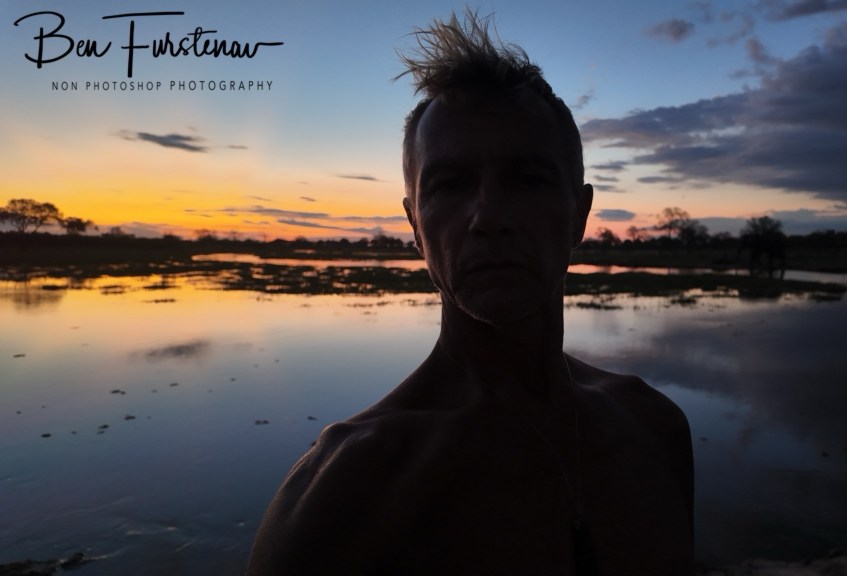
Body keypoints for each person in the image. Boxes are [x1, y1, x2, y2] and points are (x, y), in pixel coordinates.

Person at [247, 11, 694, 576]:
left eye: (527, 179)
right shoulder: (349, 485)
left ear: (579, 214)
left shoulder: (654, 427)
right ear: (416, 227)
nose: (488, 217)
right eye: (450, 185)